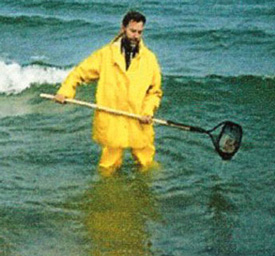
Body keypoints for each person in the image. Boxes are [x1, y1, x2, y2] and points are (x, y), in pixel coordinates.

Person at [54, 11, 162, 176]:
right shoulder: (105, 55)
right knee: (107, 168)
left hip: (139, 119)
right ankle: (106, 197)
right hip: (112, 119)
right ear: (123, 28)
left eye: (140, 32)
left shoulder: (149, 59)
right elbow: (79, 73)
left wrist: (148, 112)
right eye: (132, 31)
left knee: (146, 165)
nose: (136, 36)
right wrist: (65, 91)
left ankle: (145, 195)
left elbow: (154, 92)